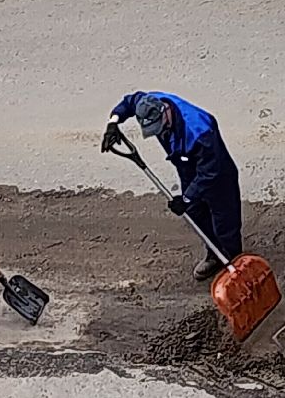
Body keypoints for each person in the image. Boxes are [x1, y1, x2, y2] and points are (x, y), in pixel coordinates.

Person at [102, 92, 242, 279]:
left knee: (225, 221)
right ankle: (214, 254)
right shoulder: (148, 101)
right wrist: (113, 122)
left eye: (158, 127)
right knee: (195, 213)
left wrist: (186, 198)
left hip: (216, 173)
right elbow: (129, 101)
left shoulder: (200, 130)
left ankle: (235, 263)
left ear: (165, 111)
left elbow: (210, 173)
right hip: (187, 167)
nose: (158, 133)